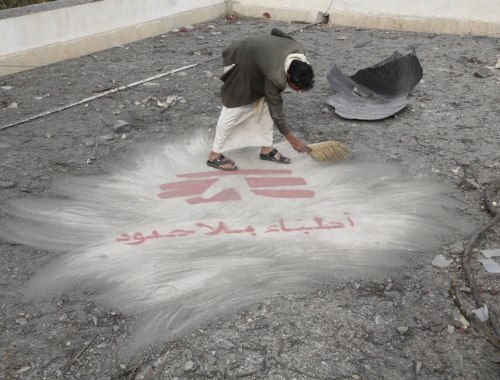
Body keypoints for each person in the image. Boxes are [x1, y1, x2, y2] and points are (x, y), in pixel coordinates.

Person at [207, 28, 315, 171]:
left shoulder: (299, 52)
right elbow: (276, 110)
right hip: (240, 58)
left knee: (264, 103)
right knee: (235, 107)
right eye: (296, 87)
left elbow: (277, 32)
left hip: (259, 58)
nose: (296, 91)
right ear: (288, 76)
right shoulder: (276, 77)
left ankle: (266, 148)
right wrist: (292, 140)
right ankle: (214, 155)